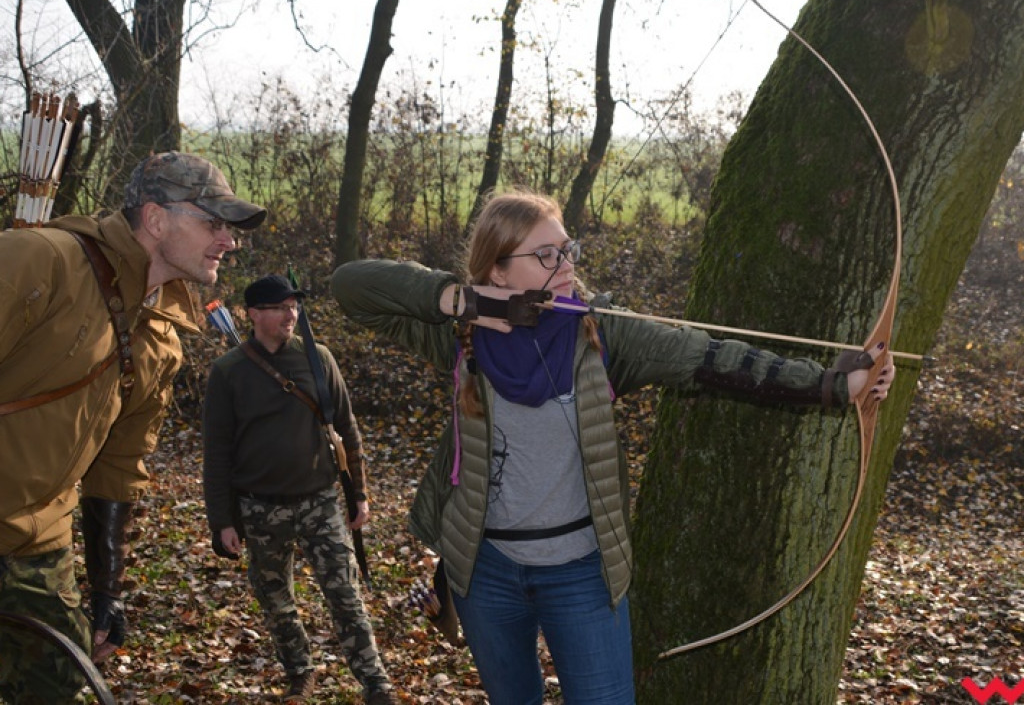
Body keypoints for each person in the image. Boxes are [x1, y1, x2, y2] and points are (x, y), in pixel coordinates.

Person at [329, 189, 896, 705]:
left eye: (567, 249)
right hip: (485, 568)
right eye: (545, 255)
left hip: (580, 570)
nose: (566, 265)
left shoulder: (602, 331)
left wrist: (832, 384)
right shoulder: (461, 332)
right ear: (497, 270)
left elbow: (711, 359)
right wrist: (456, 299)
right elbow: (349, 286)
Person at [0, 151, 266, 702]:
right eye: (213, 223)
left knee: (59, 686)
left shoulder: (163, 334)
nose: (229, 240)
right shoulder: (41, 260)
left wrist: (107, 589)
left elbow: (120, 465)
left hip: (37, 544)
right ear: (156, 218)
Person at [202, 275, 397, 705]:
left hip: (320, 500)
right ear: (252, 314)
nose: (291, 314)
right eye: (279, 307)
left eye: (294, 306)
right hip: (259, 507)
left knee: (345, 594)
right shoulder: (229, 371)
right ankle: (300, 672)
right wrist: (222, 521)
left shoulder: (318, 358)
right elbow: (216, 453)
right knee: (276, 602)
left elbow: (347, 428)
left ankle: (375, 682)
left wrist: (358, 494)